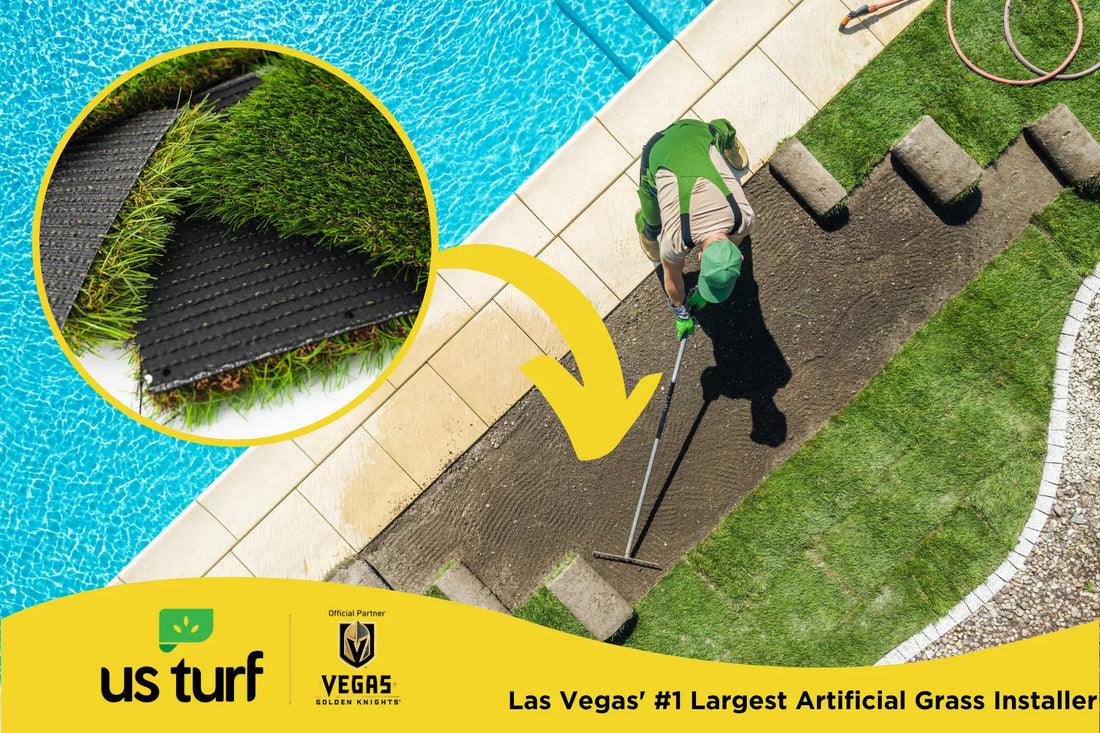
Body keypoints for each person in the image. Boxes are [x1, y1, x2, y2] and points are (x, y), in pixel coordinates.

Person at [634, 118, 755, 340]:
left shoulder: (744, 219)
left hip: (696, 134)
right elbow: (671, 276)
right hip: (660, 149)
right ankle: (644, 228)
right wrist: (680, 311)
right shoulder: (674, 240)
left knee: (716, 135)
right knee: (653, 225)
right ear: (699, 258)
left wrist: (690, 301)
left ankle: (726, 140)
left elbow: (733, 242)